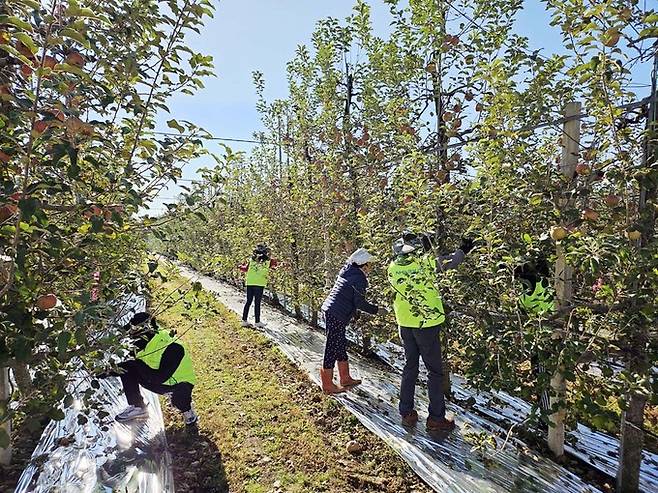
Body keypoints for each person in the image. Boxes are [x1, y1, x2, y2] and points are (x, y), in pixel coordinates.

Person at [388, 231, 473, 432]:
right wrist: (464, 249)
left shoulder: (392, 267)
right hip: (426, 324)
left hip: (405, 322)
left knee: (410, 367)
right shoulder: (424, 264)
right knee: (434, 372)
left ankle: (406, 412)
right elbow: (450, 262)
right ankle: (436, 418)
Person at [108, 312, 198, 425]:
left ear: (146, 330)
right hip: (153, 379)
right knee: (128, 368)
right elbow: (129, 366)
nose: (131, 335)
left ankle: (187, 410)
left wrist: (136, 364)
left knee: (179, 398)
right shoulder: (144, 342)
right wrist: (108, 371)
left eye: (134, 332)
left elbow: (159, 377)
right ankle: (138, 407)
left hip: (177, 383)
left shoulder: (172, 347)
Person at [320, 248, 379, 394]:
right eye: (370, 265)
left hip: (332, 311)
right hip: (336, 313)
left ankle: (345, 378)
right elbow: (359, 302)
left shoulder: (348, 270)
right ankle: (327, 384)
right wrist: (376, 310)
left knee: (339, 344)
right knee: (332, 347)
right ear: (364, 265)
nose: (371, 268)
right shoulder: (359, 278)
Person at [515, 257, 554, 421]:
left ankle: (546, 419)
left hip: (543, 341)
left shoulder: (528, 289)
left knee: (543, 379)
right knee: (547, 379)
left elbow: (522, 311)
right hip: (547, 338)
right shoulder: (545, 283)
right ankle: (547, 416)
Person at [239, 244, 278, 328]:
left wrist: (239, 266)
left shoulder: (252, 260)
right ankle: (257, 322)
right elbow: (276, 265)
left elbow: (245, 269)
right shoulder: (269, 261)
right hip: (259, 284)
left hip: (250, 282)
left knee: (248, 301)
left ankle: (244, 320)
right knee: (257, 303)